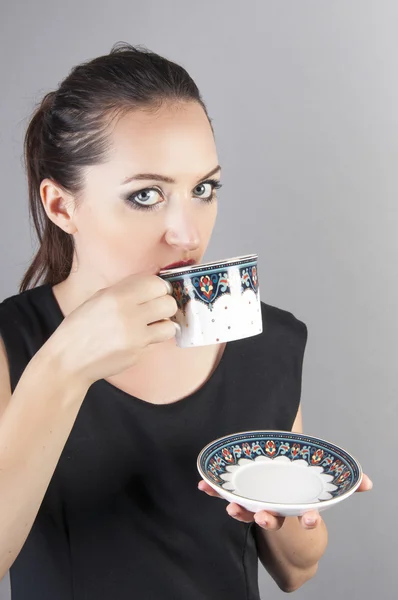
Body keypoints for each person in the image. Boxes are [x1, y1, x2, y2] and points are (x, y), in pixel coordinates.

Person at [0, 42, 372, 600]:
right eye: (146, 195)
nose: (187, 233)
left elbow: (298, 571)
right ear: (61, 207)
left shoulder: (266, 339)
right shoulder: (14, 343)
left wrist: (294, 496)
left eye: (203, 189)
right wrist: (63, 365)